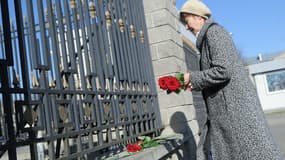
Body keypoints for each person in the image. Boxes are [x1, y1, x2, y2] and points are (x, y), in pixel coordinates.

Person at [179, 0, 283, 159]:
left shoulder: (214, 33)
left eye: (186, 21)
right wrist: (196, 82)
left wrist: (192, 76)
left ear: (199, 17)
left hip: (235, 113)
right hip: (231, 112)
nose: (186, 27)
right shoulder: (208, 37)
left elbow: (223, 70)